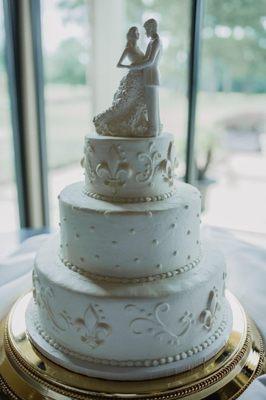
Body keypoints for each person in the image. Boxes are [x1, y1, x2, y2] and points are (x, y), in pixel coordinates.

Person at [93, 27, 149, 137]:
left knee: (139, 103)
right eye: (136, 32)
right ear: (131, 35)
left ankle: (136, 123)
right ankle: (101, 120)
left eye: (138, 32)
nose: (138, 34)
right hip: (134, 79)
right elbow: (119, 64)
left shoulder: (137, 47)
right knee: (123, 104)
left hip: (142, 79)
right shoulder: (128, 49)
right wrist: (131, 66)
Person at [126, 18, 162, 136]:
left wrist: (135, 66)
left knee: (152, 104)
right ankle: (156, 127)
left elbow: (150, 61)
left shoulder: (156, 41)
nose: (145, 32)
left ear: (151, 28)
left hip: (151, 75)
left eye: (146, 29)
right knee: (151, 103)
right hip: (148, 74)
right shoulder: (152, 41)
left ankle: (153, 130)